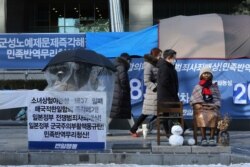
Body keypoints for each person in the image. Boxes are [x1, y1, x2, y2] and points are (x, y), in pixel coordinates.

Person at [130, 48, 162, 137]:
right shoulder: (149, 65)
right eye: (159, 55)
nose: (160, 56)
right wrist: (155, 88)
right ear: (154, 55)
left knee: (158, 112)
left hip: (158, 92)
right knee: (146, 112)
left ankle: (142, 128)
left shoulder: (157, 64)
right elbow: (146, 80)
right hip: (153, 93)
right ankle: (135, 129)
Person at [190, 67, 221, 146]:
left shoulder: (214, 86)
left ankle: (212, 138)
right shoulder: (197, 87)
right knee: (201, 116)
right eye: (204, 73)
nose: (206, 75)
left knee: (214, 115)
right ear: (201, 75)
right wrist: (199, 105)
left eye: (208, 73)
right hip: (201, 108)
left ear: (211, 75)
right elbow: (194, 99)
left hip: (212, 108)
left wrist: (214, 106)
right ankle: (203, 138)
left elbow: (217, 99)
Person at [108, 53, 134, 134]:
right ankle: (103, 129)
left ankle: (134, 128)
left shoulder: (116, 65)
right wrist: (127, 89)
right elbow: (123, 80)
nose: (130, 63)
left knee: (127, 112)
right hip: (120, 93)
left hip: (116, 92)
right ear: (126, 60)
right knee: (113, 113)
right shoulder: (122, 67)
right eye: (129, 61)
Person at [157, 49, 180, 134]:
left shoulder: (169, 67)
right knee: (170, 115)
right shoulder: (165, 67)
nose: (175, 59)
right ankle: (170, 132)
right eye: (174, 57)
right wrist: (173, 91)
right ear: (169, 57)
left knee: (169, 115)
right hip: (167, 97)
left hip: (169, 96)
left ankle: (170, 132)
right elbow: (164, 82)